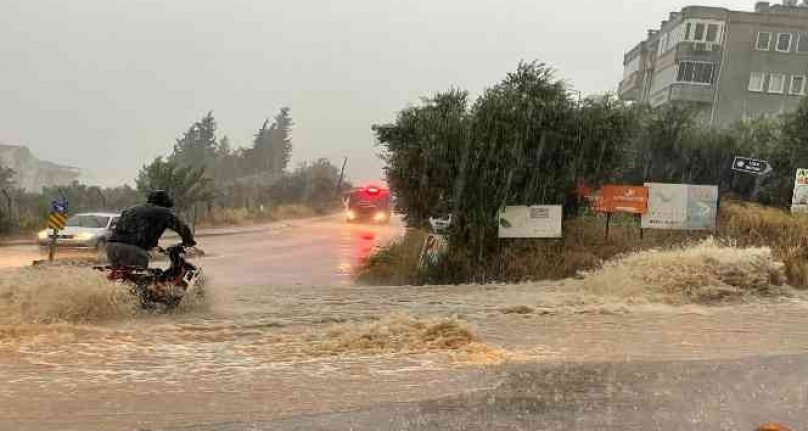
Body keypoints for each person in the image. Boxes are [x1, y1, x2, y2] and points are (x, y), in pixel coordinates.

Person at [106, 190, 196, 268]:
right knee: (140, 282)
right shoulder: (164, 212)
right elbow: (182, 228)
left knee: (123, 278)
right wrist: (188, 242)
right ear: (165, 203)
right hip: (134, 250)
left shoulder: (131, 210)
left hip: (111, 247)